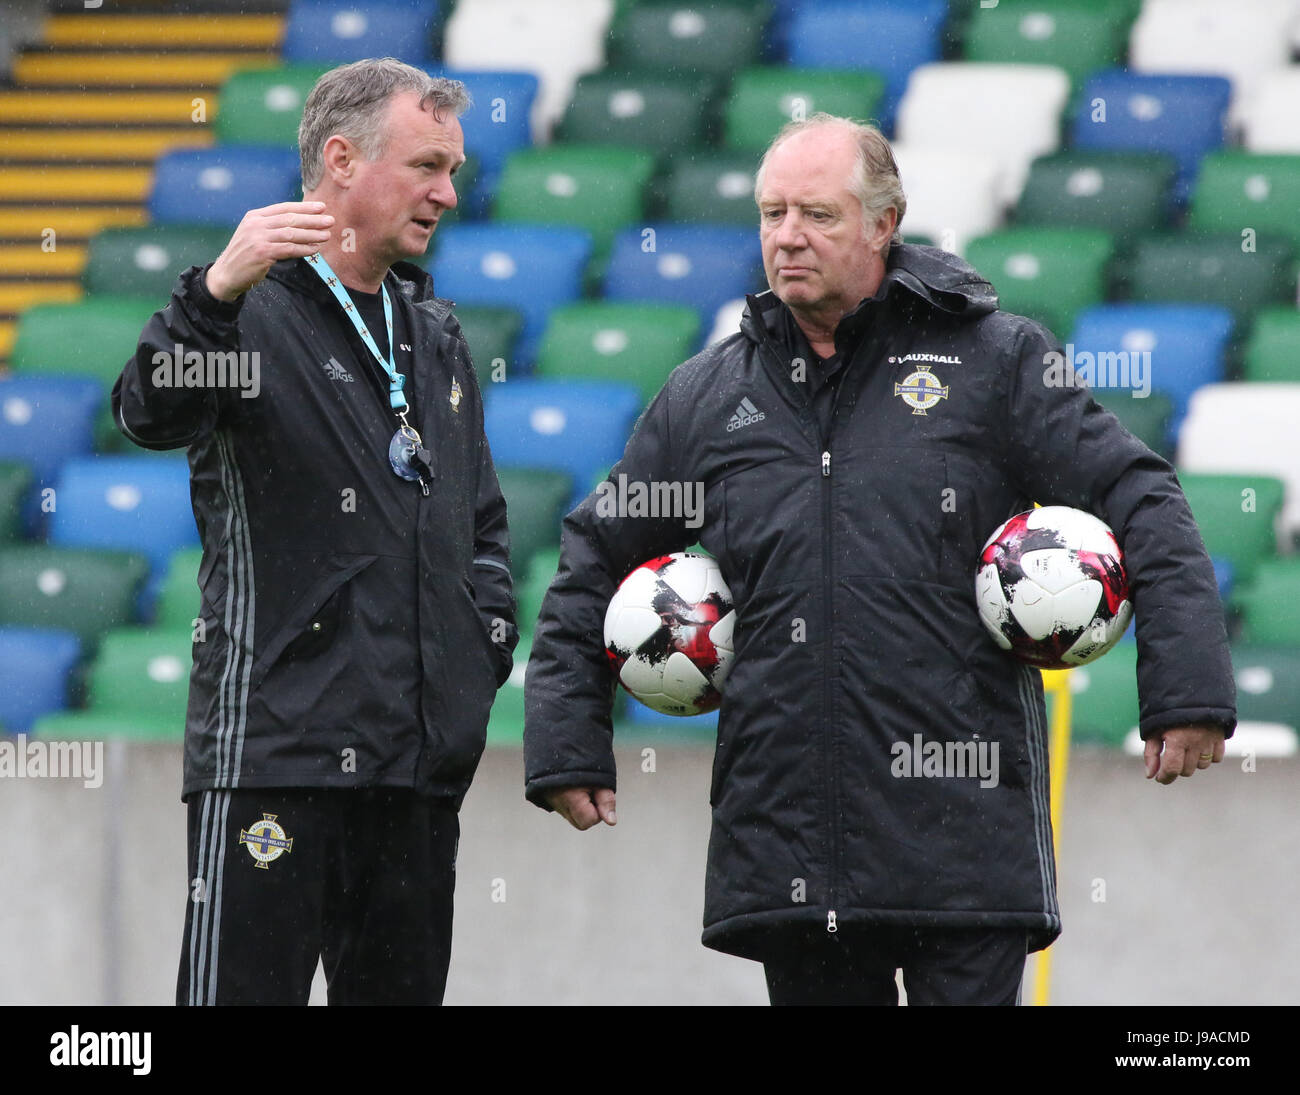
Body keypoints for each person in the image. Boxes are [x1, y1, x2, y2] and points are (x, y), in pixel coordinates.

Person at [523, 114, 1236, 1005]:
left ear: (882, 223)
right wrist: (566, 739)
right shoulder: (708, 394)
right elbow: (594, 552)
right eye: (772, 212)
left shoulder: (994, 361)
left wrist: (1187, 691)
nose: (787, 236)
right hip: (789, 853)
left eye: (817, 215)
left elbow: (1143, 497)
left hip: (964, 849)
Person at [113, 58, 517, 1005]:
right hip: (275, 757)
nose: (447, 194)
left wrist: (478, 648)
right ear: (342, 159)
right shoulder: (240, 311)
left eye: (452, 169)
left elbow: (483, 526)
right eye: (426, 166)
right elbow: (144, 415)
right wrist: (209, 296)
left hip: (414, 771)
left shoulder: (436, 331)